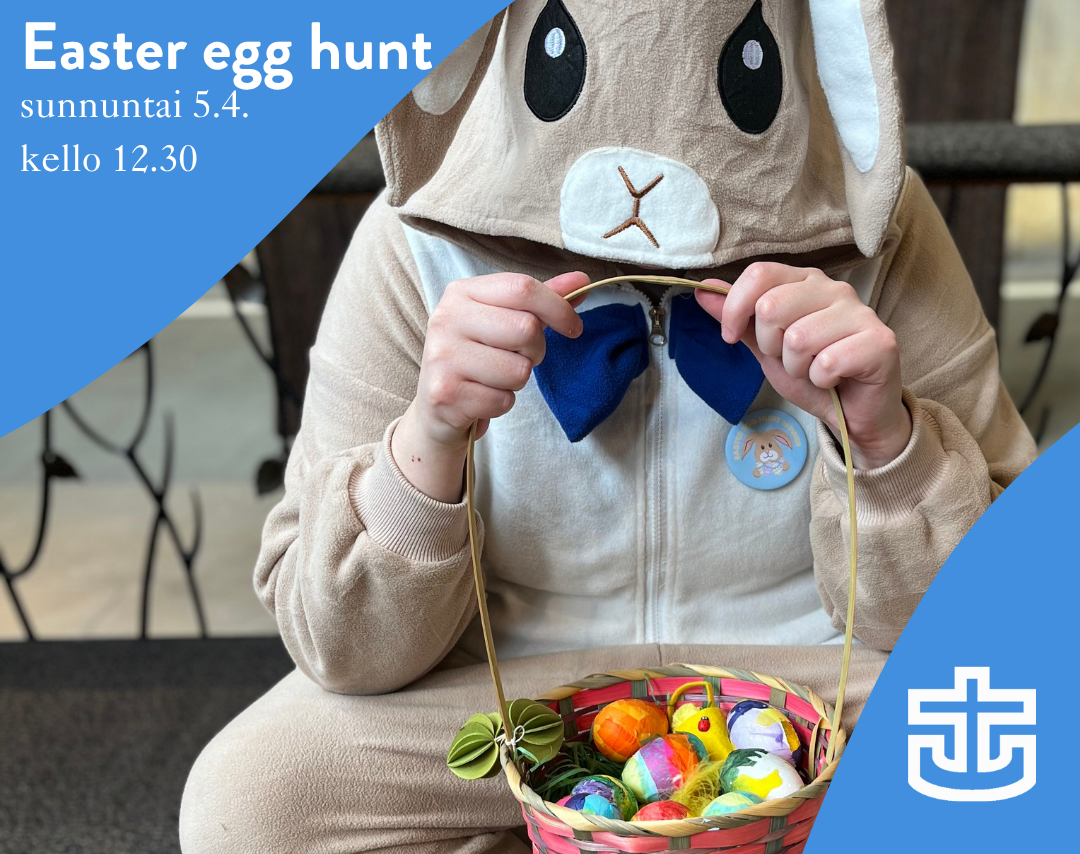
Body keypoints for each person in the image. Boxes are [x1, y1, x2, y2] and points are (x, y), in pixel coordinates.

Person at [180, 2, 1036, 852]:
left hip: (804, 688)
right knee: (252, 797)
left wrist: (888, 445)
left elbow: (993, 618)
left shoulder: (877, 221)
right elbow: (342, 650)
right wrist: (426, 446)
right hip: (511, 697)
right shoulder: (415, 240)